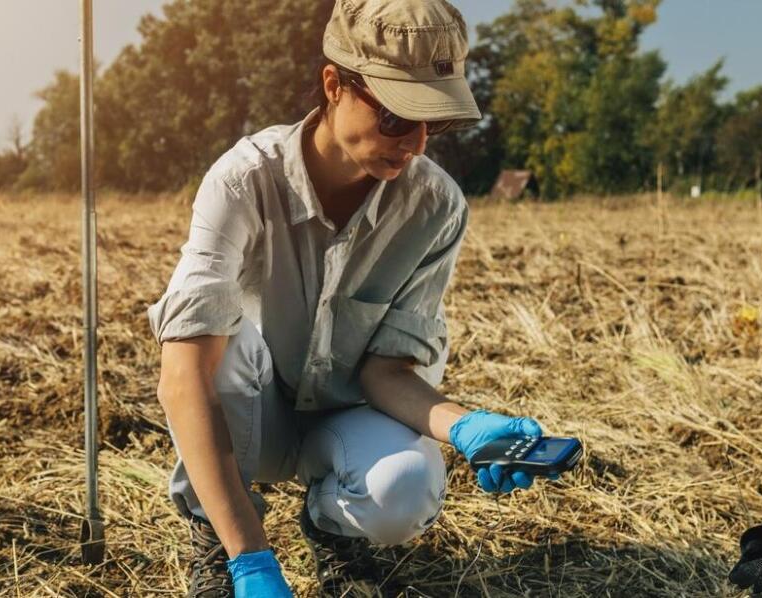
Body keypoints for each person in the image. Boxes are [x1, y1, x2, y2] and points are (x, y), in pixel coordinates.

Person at [146, 1, 550, 595]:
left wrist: (464, 426)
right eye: (395, 117)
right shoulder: (243, 182)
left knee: (407, 486)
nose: (414, 143)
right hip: (254, 415)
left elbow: (387, 372)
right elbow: (182, 378)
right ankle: (219, 533)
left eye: (432, 123)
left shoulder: (435, 208)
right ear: (334, 85)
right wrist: (253, 560)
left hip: (348, 416)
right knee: (213, 345)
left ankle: (335, 530)